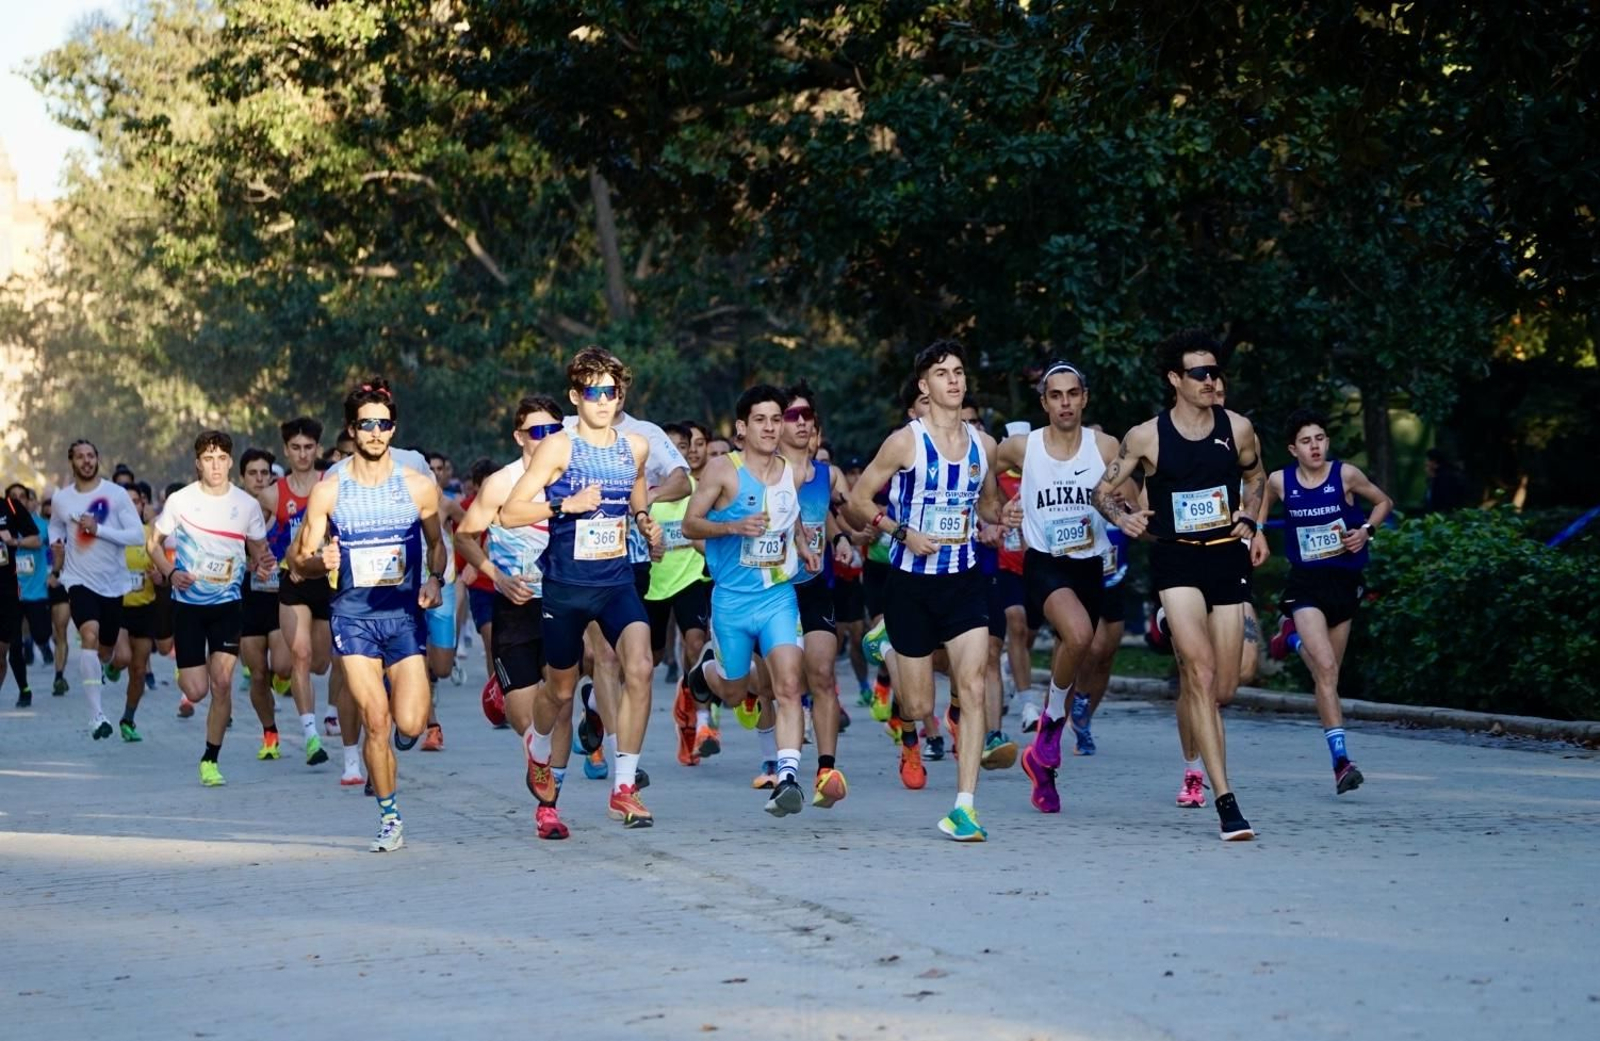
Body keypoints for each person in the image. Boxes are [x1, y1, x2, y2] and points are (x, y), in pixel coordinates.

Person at [1090, 330, 1265, 841]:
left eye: (1216, 372)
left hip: (1226, 558)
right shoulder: (1146, 436)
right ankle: (1226, 802)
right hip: (1176, 561)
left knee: (1226, 687)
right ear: (1175, 380)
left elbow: (1256, 478)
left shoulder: (1238, 428)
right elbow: (1102, 490)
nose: (1213, 381)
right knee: (1204, 675)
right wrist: (1124, 518)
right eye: (1200, 374)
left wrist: (1250, 520)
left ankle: (1191, 672)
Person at [844, 340, 1010, 841]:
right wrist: (899, 533)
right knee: (917, 708)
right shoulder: (906, 443)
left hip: (963, 582)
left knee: (975, 683)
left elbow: (986, 505)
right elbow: (856, 499)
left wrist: (999, 520)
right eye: (942, 373)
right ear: (925, 386)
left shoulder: (984, 445)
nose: (954, 380)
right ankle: (888, 643)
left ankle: (964, 807)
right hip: (910, 583)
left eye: (959, 371)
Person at [499, 347, 662, 830]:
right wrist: (564, 505)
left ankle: (624, 787)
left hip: (614, 581)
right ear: (575, 397)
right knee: (561, 690)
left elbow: (634, 487)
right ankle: (538, 745)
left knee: (642, 666)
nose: (604, 401)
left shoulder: (634, 446)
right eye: (593, 392)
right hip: (566, 587)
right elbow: (510, 512)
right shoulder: (558, 448)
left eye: (612, 392)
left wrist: (644, 520)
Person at [293, 378, 446, 851]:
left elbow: (437, 545)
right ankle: (389, 816)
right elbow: (299, 562)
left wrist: (435, 579)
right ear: (352, 430)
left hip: (403, 618)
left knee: (411, 724)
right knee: (375, 720)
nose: (376, 432)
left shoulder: (418, 487)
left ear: (393, 428)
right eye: (366, 425)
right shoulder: (330, 490)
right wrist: (322, 562)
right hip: (353, 617)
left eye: (383, 424)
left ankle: (390, 750)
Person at [683, 384, 823, 816]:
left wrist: (803, 545)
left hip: (777, 596)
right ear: (742, 427)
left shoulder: (793, 471)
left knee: (788, 685)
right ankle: (706, 671)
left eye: (775, 419)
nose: (769, 427)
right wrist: (733, 527)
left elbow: (791, 512)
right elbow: (690, 524)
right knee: (733, 689)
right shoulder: (724, 470)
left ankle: (787, 777)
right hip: (731, 600)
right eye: (760, 420)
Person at [996, 362, 1119, 814]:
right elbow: (980, 469)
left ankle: (1042, 765)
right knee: (1081, 634)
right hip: (1044, 562)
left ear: (1084, 398)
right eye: (1055, 395)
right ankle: (1050, 731)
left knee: (1079, 648)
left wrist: (1130, 511)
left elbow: (1134, 492)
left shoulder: (1104, 446)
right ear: (1044, 402)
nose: (1065, 402)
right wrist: (997, 510)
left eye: (1072, 394)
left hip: (1090, 564)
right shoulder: (1022, 448)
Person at [454, 394, 573, 839]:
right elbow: (466, 537)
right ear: (519, 437)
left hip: (565, 604)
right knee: (530, 721)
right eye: (536, 432)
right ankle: (502, 694)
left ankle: (549, 808)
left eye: (553, 431)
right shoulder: (502, 484)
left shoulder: (577, 477)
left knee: (561, 706)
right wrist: (496, 577)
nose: (545, 440)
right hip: (517, 606)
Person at [1254, 410, 1392, 794]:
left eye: (1320, 438)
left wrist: (1366, 530)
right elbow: (1260, 499)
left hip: (1344, 583)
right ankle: (1342, 761)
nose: (1315, 446)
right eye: (1306, 441)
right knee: (1327, 664)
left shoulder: (1345, 475)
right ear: (1292, 449)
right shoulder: (1281, 481)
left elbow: (1383, 502)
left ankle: (1291, 639)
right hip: (1306, 585)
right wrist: (1259, 534)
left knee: (1327, 676)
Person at [150, 431, 275, 785]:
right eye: (208, 459)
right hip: (188, 607)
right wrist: (171, 572)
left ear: (230, 462)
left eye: (222, 458)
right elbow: (152, 543)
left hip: (228, 606)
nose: (216, 465)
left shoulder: (246, 506)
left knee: (222, 683)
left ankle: (210, 759)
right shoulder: (181, 501)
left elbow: (259, 554)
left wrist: (262, 564)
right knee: (196, 691)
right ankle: (187, 673)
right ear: (198, 463)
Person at [48, 439, 148, 739]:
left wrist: (99, 529)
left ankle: (104, 667)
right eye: (80, 457)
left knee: (106, 649)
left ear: (97, 459)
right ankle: (96, 716)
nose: (86, 461)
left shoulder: (116, 495)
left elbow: (137, 536)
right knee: (88, 635)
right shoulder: (62, 499)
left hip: (113, 584)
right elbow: (55, 525)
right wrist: (57, 543)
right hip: (78, 580)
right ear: (72, 462)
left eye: (91, 455)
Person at [259, 418, 340, 744]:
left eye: (309, 448)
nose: (303, 454)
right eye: (296, 448)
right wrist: (262, 558)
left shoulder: (331, 484)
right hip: (291, 580)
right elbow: (254, 535)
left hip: (328, 580)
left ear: (317, 449)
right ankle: (310, 735)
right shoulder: (271, 495)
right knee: (301, 656)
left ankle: (298, 692)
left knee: (321, 663)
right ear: (286, 451)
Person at [238, 447, 318, 764]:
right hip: (248, 598)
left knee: (283, 665)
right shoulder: (234, 512)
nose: (259, 479)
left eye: (264, 473)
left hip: (283, 595)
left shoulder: (281, 508)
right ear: (242, 478)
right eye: (252, 473)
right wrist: (243, 562)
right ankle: (270, 732)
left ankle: (285, 680)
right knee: (258, 674)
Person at [108, 481, 160, 740]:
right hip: (118, 608)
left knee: (139, 671)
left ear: (142, 505)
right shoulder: (108, 534)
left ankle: (128, 720)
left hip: (145, 608)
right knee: (123, 658)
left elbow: (163, 572)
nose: (131, 506)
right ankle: (114, 665)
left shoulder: (151, 534)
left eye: (136, 501)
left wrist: (159, 576)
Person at [6, 484, 53, 706]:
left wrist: (14, 542)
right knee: (13, 646)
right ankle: (24, 689)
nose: (18, 500)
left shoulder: (39, 524)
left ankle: (40, 644)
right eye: (13, 497)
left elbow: (37, 540)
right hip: (11, 593)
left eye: (22, 496)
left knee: (42, 634)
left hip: (36, 591)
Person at [1423, 448, 1469, 514]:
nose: (1426, 463)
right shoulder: (1434, 479)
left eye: (1428, 462)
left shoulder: (1445, 478)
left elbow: (1443, 502)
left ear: (1434, 462)